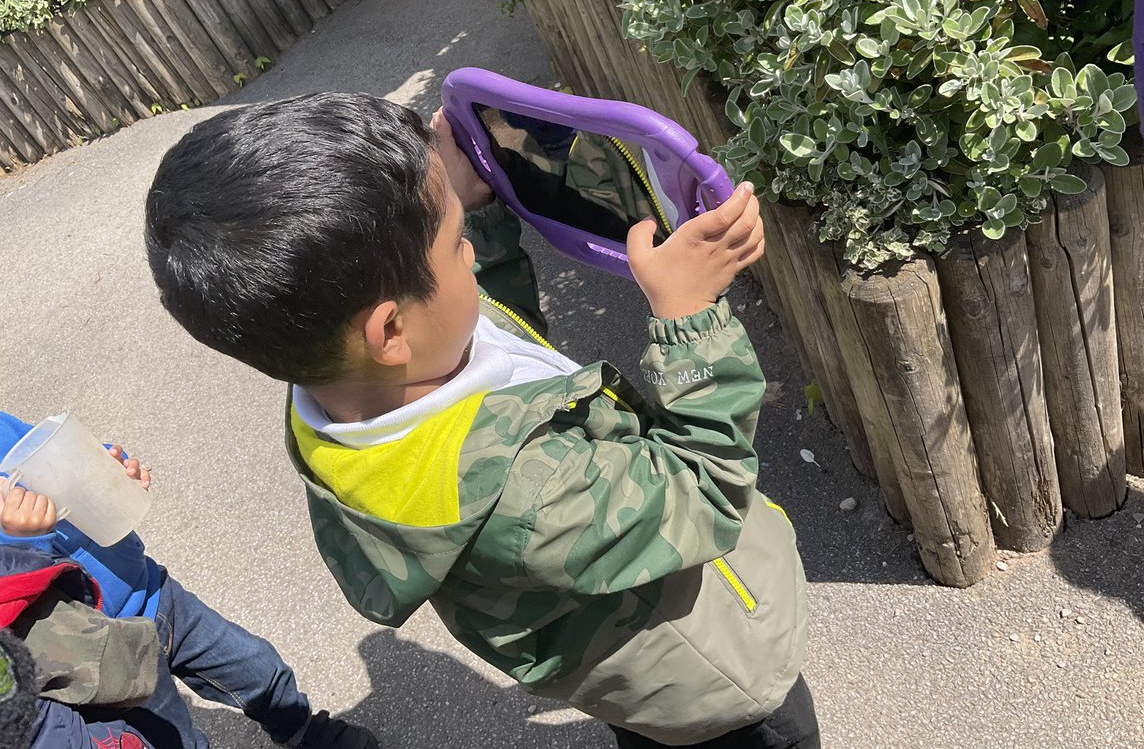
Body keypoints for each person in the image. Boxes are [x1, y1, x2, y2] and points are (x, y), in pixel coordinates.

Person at [143, 92, 818, 748]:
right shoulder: (522, 495)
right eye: (457, 243)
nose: (468, 253)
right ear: (390, 329)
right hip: (723, 678)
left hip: (632, 655)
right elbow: (701, 493)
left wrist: (473, 217)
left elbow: (495, 333)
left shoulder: (350, 386)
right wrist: (688, 318)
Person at [0, 412, 378, 749]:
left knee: (254, 665)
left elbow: (55, 458)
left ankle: (299, 729)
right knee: (171, 737)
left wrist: (106, 465)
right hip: (100, 652)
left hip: (149, 591)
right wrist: (24, 542)